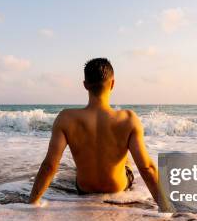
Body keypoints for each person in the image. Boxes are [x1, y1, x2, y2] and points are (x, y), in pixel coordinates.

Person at [28, 58, 173, 212]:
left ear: (85, 85)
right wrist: (167, 207)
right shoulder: (128, 119)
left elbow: (49, 166)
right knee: (127, 160)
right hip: (118, 188)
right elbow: (147, 168)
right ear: (112, 84)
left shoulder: (66, 118)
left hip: (84, 189)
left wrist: (31, 204)